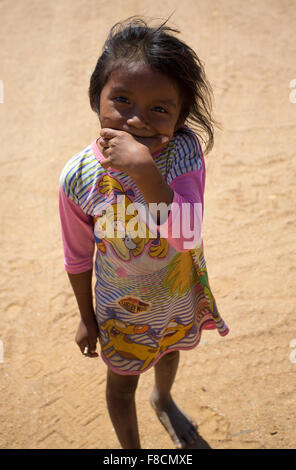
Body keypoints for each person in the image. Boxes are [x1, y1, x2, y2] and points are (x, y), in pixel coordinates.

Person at [59, 16, 229, 449]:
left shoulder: (184, 153)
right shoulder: (78, 178)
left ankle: (164, 397)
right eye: (121, 99)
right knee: (120, 386)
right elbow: (78, 258)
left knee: (170, 351)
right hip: (120, 310)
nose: (137, 120)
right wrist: (85, 316)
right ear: (96, 98)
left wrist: (143, 168)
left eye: (160, 108)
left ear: (180, 116)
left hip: (174, 293)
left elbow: (186, 235)